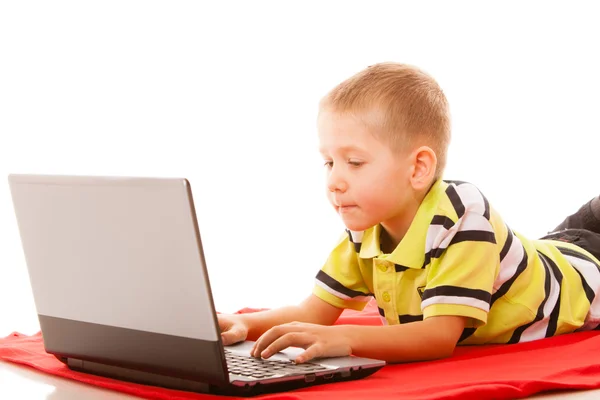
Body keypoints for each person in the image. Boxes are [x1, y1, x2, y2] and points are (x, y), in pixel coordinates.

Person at [217, 62, 600, 364]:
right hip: (554, 249)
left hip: (586, 274)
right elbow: (312, 311)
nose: (334, 180)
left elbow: (436, 336)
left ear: (417, 169)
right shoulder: (366, 227)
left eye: (353, 162)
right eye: (328, 162)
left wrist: (346, 338)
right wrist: (245, 324)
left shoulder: (463, 217)